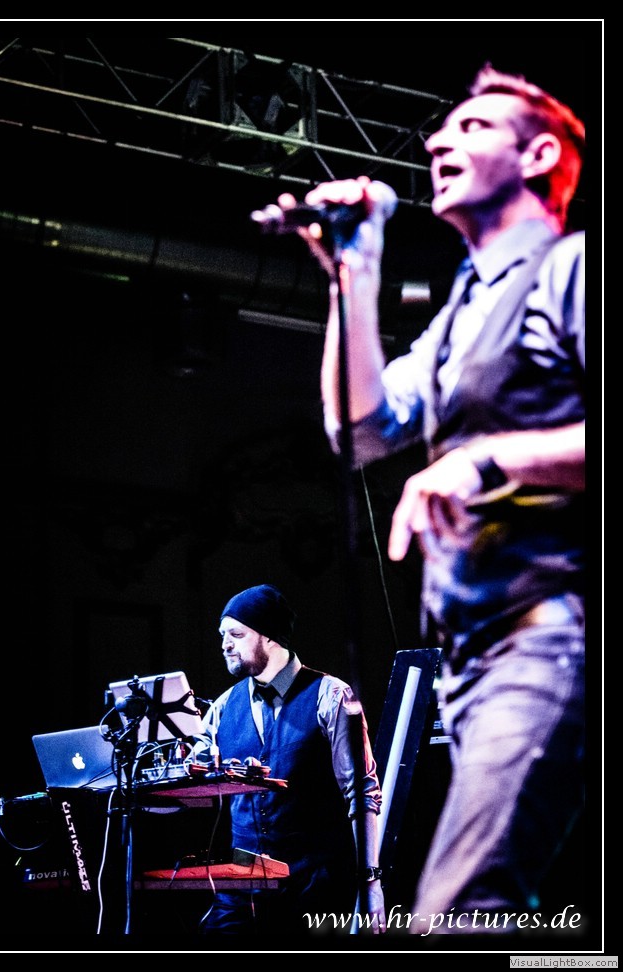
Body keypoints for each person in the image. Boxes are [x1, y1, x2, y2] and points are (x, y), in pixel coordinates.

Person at [273, 64, 587, 935]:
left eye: (473, 127)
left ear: (538, 157)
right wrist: (356, 267)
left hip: (552, 632)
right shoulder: (457, 316)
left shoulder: (572, 270)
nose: (439, 139)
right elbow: (359, 428)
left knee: (458, 914)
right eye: (441, 127)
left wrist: (485, 461)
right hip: (471, 660)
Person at [191, 583, 386, 938]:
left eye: (236, 634)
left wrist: (370, 880)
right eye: (222, 635)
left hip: (314, 886)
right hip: (241, 891)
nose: (225, 645)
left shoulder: (330, 695)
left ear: (269, 636)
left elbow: (362, 792)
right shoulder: (222, 707)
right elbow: (186, 781)